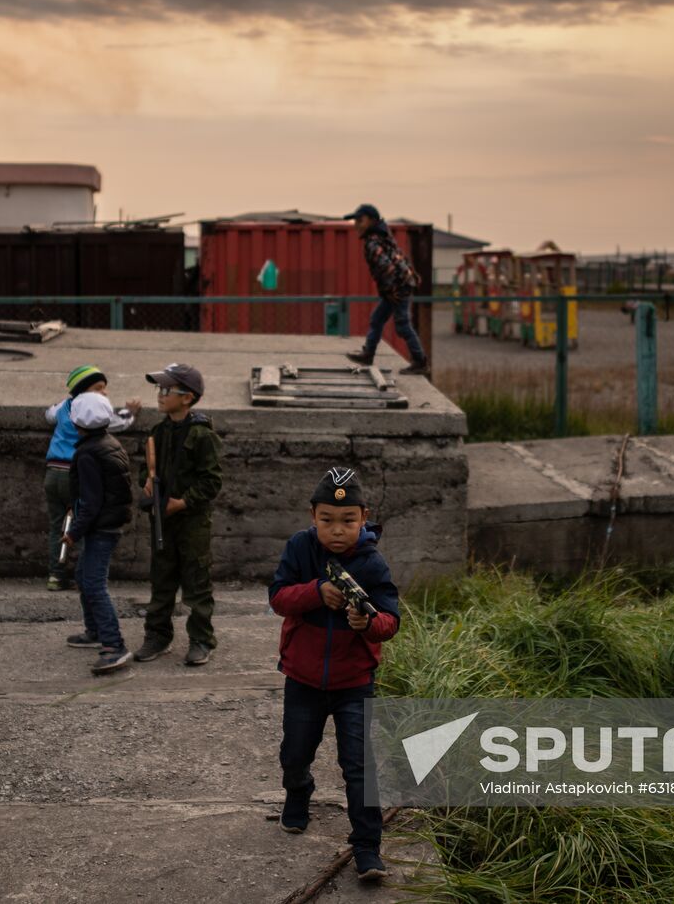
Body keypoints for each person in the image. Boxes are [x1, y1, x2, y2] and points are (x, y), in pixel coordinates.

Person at [267, 467, 401, 882]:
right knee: (295, 753)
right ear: (313, 516)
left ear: (364, 517)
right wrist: (314, 592)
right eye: (327, 520)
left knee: (360, 766)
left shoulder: (372, 562)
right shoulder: (300, 548)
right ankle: (298, 792)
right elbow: (277, 597)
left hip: (354, 683)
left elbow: (391, 620)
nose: (337, 530)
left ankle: (367, 847)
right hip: (303, 680)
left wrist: (368, 624)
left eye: (347, 521)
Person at [134, 363, 223, 667]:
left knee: (196, 582)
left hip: (192, 521)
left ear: (187, 397)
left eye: (166, 390)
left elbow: (211, 481)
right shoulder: (158, 432)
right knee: (161, 579)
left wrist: (183, 503)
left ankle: (201, 639)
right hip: (163, 518)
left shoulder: (202, 435)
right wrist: (146, 480)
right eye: (159, 389)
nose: (160, 395)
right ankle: (157, 635)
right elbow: (146, 468)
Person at [43, 365, 140, 591]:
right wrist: (130, 412)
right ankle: (84, 576)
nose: (104, 393)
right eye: (99, 389)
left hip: (52, 473)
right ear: (85, 392)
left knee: (57, 525)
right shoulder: (92, 419)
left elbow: (48, 415)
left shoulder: (63, 409)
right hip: (75, 474)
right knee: (85, 524)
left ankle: (55, 575)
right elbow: (117, 422)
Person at [61, 392, 134, 674]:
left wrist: (73, 532)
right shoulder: (110, 443)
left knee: (93, 584)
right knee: (84, 576)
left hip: (100, 527)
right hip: (109, 522)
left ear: (77, 422)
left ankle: (114, 645)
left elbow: (91, 501)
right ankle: (94, 632)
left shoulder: (88, 453)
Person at [342, 204, 429, 376]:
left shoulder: (373, 242)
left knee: (402, 325)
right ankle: (368, 354)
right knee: (377, 319)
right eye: (355, 221)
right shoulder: (383, 235)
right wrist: (411, 274)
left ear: (372, 221)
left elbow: (385, 267)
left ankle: (420, 362)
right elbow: (400, 256)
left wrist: (391, 290)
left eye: (360, 220)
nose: (356, 225)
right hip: (399, 285)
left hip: (397, 287)